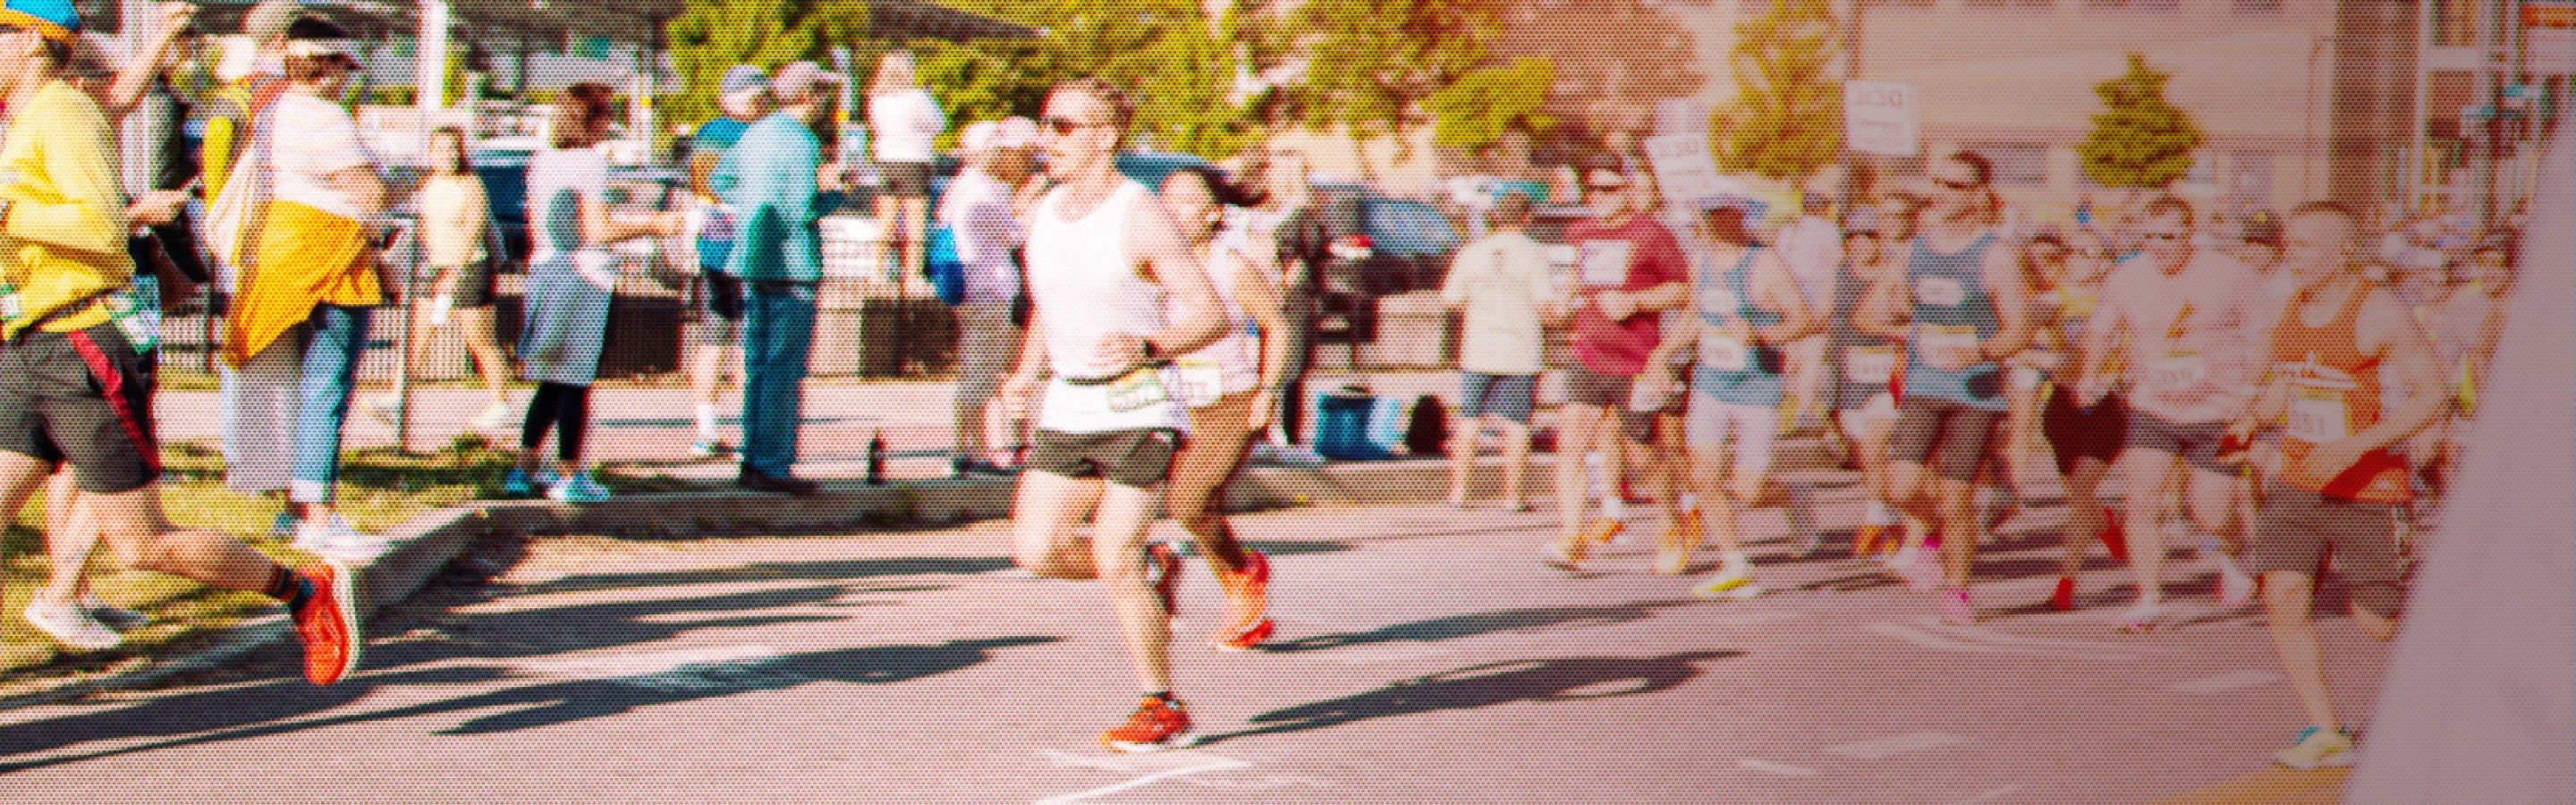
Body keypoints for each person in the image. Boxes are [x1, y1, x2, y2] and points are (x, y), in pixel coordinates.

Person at [0, 0, 360, 682]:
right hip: (30, 341)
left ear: (28, 43)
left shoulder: (64, 114)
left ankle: (304, 591)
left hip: (84, 344)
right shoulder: (25, 119)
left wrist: (10, 213)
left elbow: (103, 229)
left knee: (140, 544)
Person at [993, 77, 1228, 752]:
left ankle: (1161, 704)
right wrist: (1024, 374)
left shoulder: (1139, 214)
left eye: (1063, 127)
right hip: (1070, 401)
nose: (1047, 138)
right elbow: (1046, 302)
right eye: (1046, 124)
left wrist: (1150, 343)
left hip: (1139, 401)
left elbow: (1210, 312)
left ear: (1106, 135)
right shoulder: (1039, 210)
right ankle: (1154, 563)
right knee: (1035, 550)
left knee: (1113, 555)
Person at [2230, 201, 2450, 769]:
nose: (2290, 256)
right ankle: (2326, 728)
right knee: (2281, 594)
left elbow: (2433, 395)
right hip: (2299, 481)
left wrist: (2356, 445)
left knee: (2378, 624)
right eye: (2288, 243)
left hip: (2369, 488)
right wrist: (2257, 416)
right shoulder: (2288, 308)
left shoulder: (2379, 313)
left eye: (2304, 246)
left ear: (2343, 251)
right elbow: (2292, 383)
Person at [216, 17, 394, 564]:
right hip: (329, 257)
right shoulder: (327, 117)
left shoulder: (271, 111)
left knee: (286, 388)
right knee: (326, 387)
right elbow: (370, 193)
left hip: (276, 254)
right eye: (344, 67)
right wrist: (394, 190)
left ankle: (294, 509)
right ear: (330, 65)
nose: (348, 78)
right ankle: (318, 515)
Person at [1854, 150, 2037, 624]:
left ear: (1978, 195)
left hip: (1975, 393)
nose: (1940, 193)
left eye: (1954, 186)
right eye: (1937, 183)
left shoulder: (1994, 254)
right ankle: (1932, 532)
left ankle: (1957, 589)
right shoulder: (1915, 249)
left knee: (1958, 498)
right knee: (1900, 485)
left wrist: (1976, 352)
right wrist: (1898, 324)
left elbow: (2020, 330)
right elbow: (1874, 311)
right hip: (1923, 385)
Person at [2082, 197, 2264, 631]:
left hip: (2219, 410)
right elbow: (2102, 328)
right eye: (2149, 237)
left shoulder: (2230, 274)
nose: (2158, 246)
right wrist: (2090, 375)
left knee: (2210, 513)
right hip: (2154, 405)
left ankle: (2235, 552)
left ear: (2190, 233)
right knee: (2141, 502)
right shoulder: (2126, 276)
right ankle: (2148, 598)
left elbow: (2263, 335)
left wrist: (2251, 391)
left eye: (2169, 237)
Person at [502, 85, 682, 503]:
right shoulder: (591, 164)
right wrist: (656, 223)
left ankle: (523, 468)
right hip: (586, 273)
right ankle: (571, 474)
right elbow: (598, 229)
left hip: (546, 271)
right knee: (577, 378)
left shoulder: (542, 161)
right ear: (592, 120)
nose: (610, 124)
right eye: (606, 116)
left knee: (551, 377)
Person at [1651, 201, 1817, 596]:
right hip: (1710, 383)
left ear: (1738, 217)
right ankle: (1734, 563)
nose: (1709, 222)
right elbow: (1694, 314)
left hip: (1756, 386)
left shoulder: (1764, 264)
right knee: (1704, 475)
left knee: (1749, 492)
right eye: (1705, 215)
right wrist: (1661, 354)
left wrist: (1761, 336)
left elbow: (1806, 320)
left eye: (1720, 214)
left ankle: (1793, 497)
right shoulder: (1700, 260)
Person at [1155, 164, 1286, 653]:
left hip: (1231, 400)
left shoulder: (1231, 265)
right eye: (1165, 197)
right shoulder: (1152, 269)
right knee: (1185, 505)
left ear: (1213, 213)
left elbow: (1277, 324)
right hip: (1169, 402)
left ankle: (1243, 576)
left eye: (1186, 199)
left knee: (1189, 502)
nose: (1173, 208)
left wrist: (1268, 389)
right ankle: (1175, 565)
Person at [1541, 162, 1691, 571]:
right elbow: (1577, 273)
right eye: (1592, 189)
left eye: (1608, 189)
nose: (1598, 197)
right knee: (1570, 444)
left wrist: (1637, 302)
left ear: (1628, 190)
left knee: (1644, 456)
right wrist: (1562, 300)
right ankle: (1572, 535)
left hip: (1636, 362)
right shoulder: (1582, 231)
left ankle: (1669, 523)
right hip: (1588, 353)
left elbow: (1684, 290)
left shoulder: (1652, 233)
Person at [712, 62, 844, 496]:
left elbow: (720, 180)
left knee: (757, 366)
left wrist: (751, 202)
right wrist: (836, 193)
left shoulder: (755, 133)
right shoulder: (803, 142)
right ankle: (773, 462)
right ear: (811, 95)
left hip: (753, 261)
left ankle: (753, 458)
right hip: (792, 265)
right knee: (785, 370)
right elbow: (803, 209)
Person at [360, 126, 514, 435]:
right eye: (440, 149)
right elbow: (422, 229)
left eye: (453, 149)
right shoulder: (429, 184)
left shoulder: (470, 184)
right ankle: (396, 398)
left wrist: (454, 271)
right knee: (416, 334)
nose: (447, 155)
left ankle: (501, 405)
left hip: (469, 268)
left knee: (479, 340)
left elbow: (473, 229)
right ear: (431, 152)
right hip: (435, 268)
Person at [2029, 227, 2132, 612]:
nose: (2080, 258)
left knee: (2081, 491)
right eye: (2073, 251)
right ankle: (2104, 521)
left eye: (2091, 252)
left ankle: (2065, 583)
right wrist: (2040, 357)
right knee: (2078, 495)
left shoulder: (2120, 302)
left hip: (2106, 405)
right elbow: (2015, 337)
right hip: (2062, 405)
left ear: (2106, 260)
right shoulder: (2051, 301)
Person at [1439, 191, 1551, 511]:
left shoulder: (1472, 252)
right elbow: (1544, 303)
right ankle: (1512, 496)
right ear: (1526, 217)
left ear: (1496, 217)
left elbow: (1450, 299)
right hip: (1520, 348)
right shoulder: (1533, 253)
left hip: (1479, 347)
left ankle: (1459, 492)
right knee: (1516, 422)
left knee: (1469, 418)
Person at [681, 64, 769, 459]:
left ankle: (706, 428)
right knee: (755, 340)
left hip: (712, 245)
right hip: (748, 247)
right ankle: (755, 431)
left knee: (713, 338)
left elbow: (698, 183)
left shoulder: (706, 133)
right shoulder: (756, 135)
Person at [943, 117, 1038, 475]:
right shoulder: (983, 191)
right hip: (988, 290)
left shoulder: (959, 187)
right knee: (981, 375)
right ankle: (970, 451)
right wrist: (1027, 205)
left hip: (971, 291)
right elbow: (1014, 235)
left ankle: (972, 448)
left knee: (975, 372)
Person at [1826, 212, 1907, 562]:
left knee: (1876, 448)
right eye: (1853, 237)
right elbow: (1822, 316)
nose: (1860, 244)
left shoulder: (1894, 273)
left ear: (1879, 239)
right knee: (1866, 457)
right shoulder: (1840, 276)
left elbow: (1909, 315)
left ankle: (1875, 521)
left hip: (1888, 375)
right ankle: (1890, 519)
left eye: (1868, 236)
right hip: (1850, 376)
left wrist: (1894, 326)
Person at [867, 49, 943, 281]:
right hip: (914, 160)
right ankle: (911, 275)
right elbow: (938, 124)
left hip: (886, 160)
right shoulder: (916, 97)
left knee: (886, 219)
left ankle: (876, 271)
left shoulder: (876, 98)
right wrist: (929, 97)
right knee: (915, 222)